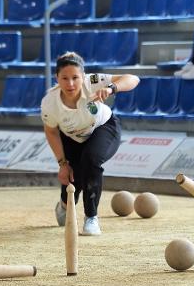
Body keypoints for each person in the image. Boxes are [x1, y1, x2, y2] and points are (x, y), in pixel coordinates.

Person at [41, 52, 139, 235]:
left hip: (103, 127)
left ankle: (91, 218)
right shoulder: (49, 103)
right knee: (72, 178)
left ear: (83, 76)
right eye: (65, 78)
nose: (70, 83)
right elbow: (51, 132)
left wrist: (111, 88)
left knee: (91, 161)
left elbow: (133, 79)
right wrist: (62, 164)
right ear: (57, 78)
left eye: (75, 78)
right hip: (71, 137)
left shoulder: (92, 81)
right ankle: (64, 204)